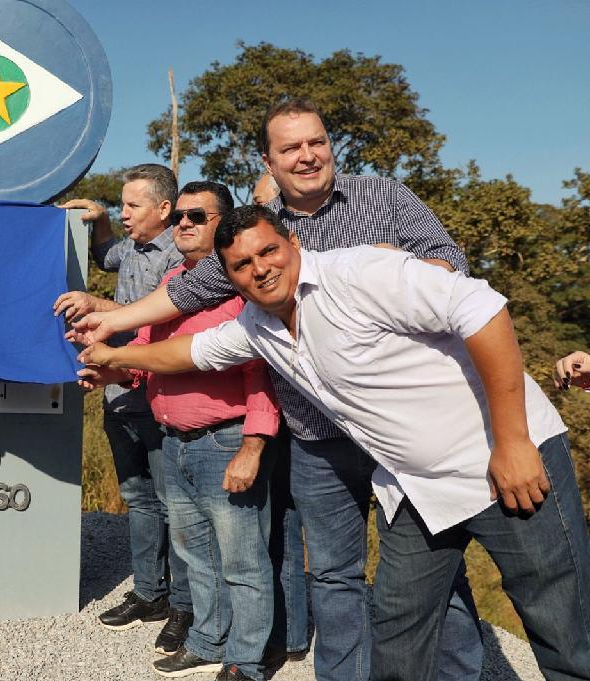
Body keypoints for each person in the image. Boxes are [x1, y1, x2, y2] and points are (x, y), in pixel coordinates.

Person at [79, 205, 590, 681]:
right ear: (228, 275)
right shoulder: (257, 327)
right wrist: (116, 363)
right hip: (415, 488)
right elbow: (192, 352)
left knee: (557, 620)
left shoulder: (360, 273)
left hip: (502, 460)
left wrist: (514, 441)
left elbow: (483, 310)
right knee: (399, 623)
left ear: (293, 242)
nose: (260, 269)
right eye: (241, 265)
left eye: (268, 252)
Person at [72, 99, 484, 680]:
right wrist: (112, 327)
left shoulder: (384, 199)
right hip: (316, 433)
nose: (306, 155)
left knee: (437, 568)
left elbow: (454, 272)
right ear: (268, 160)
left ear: (329, 143)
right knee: (334, 574)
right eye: (289, 148)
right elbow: (187, 303)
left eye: (315, 142)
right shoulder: (260, 232)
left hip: (400, 427)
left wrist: (381, 269)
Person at [79, 181, 284, 681]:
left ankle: (247, 660)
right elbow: (145, 359)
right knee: (196, 556)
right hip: (171, 440)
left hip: (225, 440)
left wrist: (253, 447)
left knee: (243, 563)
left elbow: (263, 371)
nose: (184, 224)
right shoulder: (171, 284)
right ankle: (207, 640)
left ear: (224, 225)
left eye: (197, 216)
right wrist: (108, 373)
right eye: (180, 218)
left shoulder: (243, 290)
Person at [54, 164, 191, 653]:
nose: (126, 212)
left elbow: (165, 310)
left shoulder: (183, 254)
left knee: (177, 505)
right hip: (120, 393)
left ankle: (185, 605)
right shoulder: (133, 246)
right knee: (138, 498)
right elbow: (107, 255)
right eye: (123, 203)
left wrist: (97, 305)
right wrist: (106, 220)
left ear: (164, 209)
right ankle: (149, 593)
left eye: (133, 205)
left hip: (158, 395)